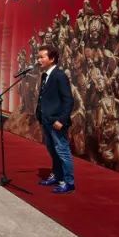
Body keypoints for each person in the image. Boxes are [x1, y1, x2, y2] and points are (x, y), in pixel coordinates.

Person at [36, 45, 76, 194]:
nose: (38, 60)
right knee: (52, 150)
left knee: (62, 151)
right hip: (46, 120)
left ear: (52, 59)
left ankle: (68, 182)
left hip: (57, 122)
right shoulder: (45, 75)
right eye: (38, 57)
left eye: (42, 57)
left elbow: (68, 100)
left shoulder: (59, 75)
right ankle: (57, 175)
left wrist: (62, 120)